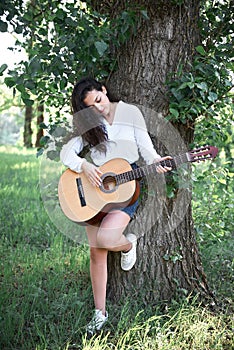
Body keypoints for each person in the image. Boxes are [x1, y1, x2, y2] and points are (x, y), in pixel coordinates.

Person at [60, 77, 171, 335]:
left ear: (104, 90)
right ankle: (99, 313)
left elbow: (147, 149)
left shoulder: (130, 112)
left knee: (108, 239)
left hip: (125, 185)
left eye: (99, 100)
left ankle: (128, 243)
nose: (98, 109)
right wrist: (84, 166)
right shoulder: (90, 126)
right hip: (95, 189)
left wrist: (158, 161)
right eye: (90, 108)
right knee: (96, 252)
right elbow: (67, 152)